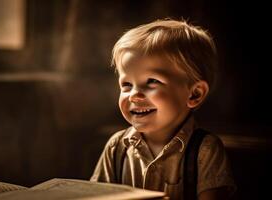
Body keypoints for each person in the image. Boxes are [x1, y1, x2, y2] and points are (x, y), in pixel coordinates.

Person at [90, 19, 236, 200]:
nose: (134, 95)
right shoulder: (116, 147)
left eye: (152, 81)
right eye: (126, 84)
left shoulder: (205, 150)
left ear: (194, 94)